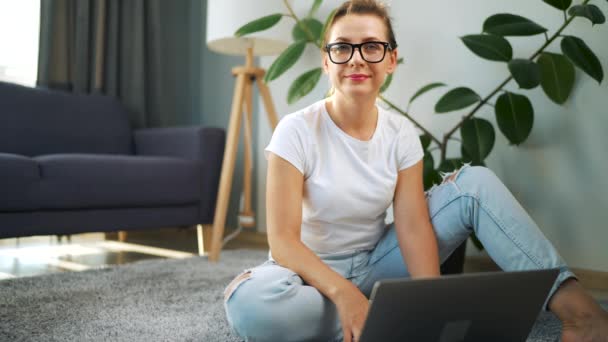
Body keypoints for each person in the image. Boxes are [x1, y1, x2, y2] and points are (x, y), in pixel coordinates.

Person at [223, 1, 608, 341]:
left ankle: (583, 314)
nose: (356, 59)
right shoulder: (296, 130)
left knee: (472, 184)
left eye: (372, 46)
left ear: (391, 59)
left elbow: (411, 225)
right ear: (327, 61)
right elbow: (284, 242)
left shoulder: (401, 134)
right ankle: (375, 316)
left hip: (376, 261)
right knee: (254, 307)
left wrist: (432, 311)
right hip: (309, 275)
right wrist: (345, 294)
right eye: (342, 48)